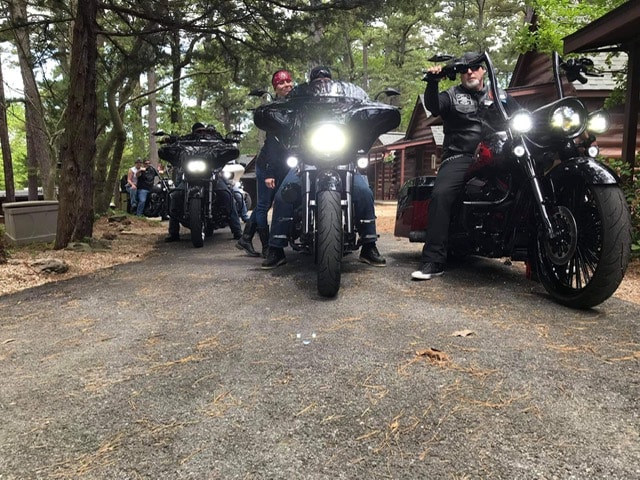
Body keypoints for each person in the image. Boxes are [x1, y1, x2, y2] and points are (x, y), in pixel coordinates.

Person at [261, 66, 386, 269]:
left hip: (344, 160)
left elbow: (359, 122)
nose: (322, 81)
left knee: (364, 192)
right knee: (284, 194)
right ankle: (276, 248)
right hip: (306, 161)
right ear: (311, 83)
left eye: (325, 78)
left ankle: (369, 245)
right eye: (317, 79)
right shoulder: (301, 105)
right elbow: (286, 122)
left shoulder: (345, 104)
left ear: (331, 81)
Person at [411, 52, 520, 280]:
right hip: (461, 156)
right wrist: (433, 82)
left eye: (474, 67)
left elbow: (522, 114)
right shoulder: (451, 95)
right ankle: (433, 260)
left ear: (483, 70)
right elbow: (433, 106)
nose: (469, 72)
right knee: (441, 195)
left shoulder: (499, 96)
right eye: (464, 70)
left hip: (498, 154)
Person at [236, 69, 294, 257]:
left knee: (268, 203)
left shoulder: (296, 104)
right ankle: (267, 246)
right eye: (281, 83)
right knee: (263, 205)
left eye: (288, 81)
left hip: (284, 165)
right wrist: (269, 172)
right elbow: (271, 143)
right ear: (275, 88)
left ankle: (245, 239)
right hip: (268, 164)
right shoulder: (274, 109)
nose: (286, 85)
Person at [165, 123, 243, 241]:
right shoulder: (186, 140)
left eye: (203, 131)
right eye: (198, 131)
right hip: (189, 176)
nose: (201, 134)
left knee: (227, 196)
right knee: (174, 197)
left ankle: (237, 230)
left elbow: (224, 144)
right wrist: (170, 141)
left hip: (212, 175)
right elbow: (176, 145)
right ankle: (173, 233)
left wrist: (228, 142)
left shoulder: (215, 139)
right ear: (193, 132)